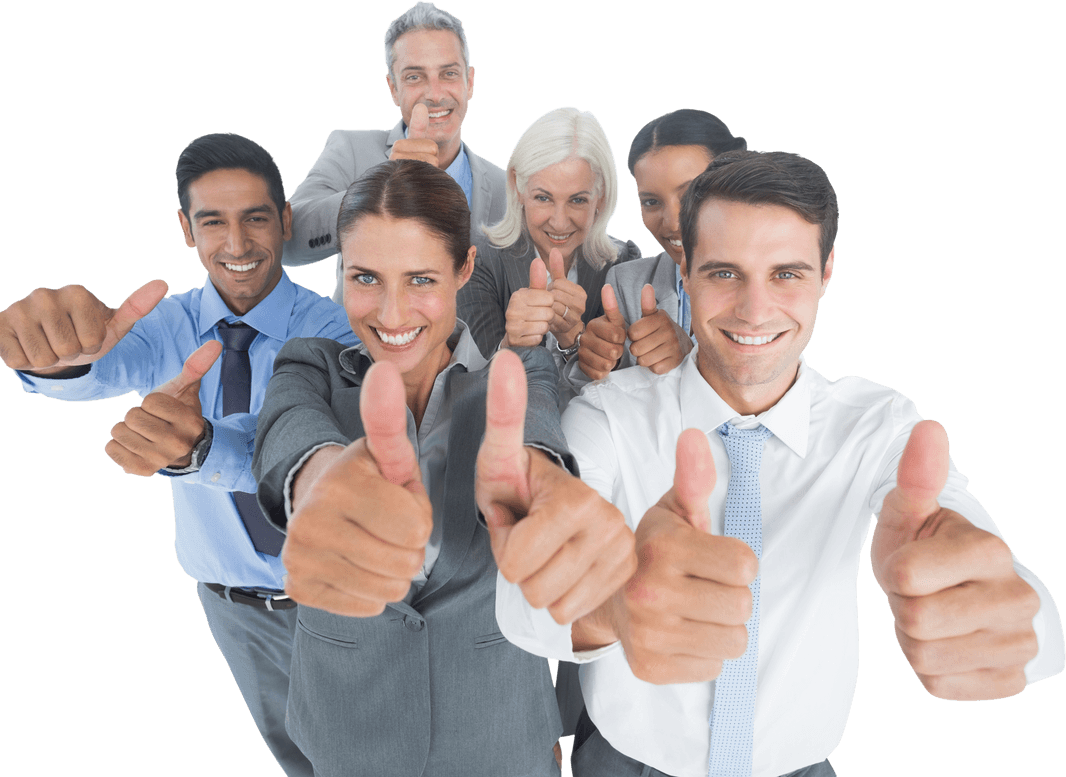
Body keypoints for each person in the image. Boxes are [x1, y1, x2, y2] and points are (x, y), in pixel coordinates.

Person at [495, 150, 1065, 777]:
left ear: (826, 273)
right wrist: (612, 609)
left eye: (787, 274)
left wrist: (999, 610)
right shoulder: (607, 418)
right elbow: (521, 608)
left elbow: (1015, 595)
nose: (754, 309)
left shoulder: (875, 425)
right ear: (684, 274)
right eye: (724, 273)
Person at [0, 133, 358, 777]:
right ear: (186, 230)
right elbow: (100, 369)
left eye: (256, 218)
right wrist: (63, 362)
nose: (237, 245)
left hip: (338, 601)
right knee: (297, 756)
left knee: (369, 753)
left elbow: (316, 437)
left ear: (287, 221)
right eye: (213, 222)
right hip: (230, 605)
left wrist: (202, 447)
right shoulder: (162, 326)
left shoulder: (338, 328)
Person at [252, 159, 635, 776]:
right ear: (341, 275)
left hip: (497, 733)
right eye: (366, 278)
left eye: (421, 278)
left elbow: (534, 426)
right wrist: (323, 484)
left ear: (464, 270)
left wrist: (539, 484)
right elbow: (286, 435)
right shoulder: (308, 366)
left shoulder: (514, 377)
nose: (393, 311)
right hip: (349, 735)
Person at [283, 1, 505, 305]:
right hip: (361, 347)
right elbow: (286, 240)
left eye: (449, 74)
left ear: (469, 82)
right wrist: (378, 186)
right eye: (415, 76)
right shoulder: (350, 150)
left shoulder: (505, 187)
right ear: (393, 88)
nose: (435, 94)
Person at [456, 106, 640, 398]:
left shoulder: (623, 263)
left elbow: (632, 393)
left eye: (577, 200)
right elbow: (462, 390)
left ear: (601, 197)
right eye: (543, 197)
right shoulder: (478, 260)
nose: (558, 221)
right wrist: (510, 344)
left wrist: (573, 340)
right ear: (517, 186)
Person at [572, 109, 747, 383]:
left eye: (690, 194)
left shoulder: (777, 277)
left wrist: (692, 359)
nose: (673, 222)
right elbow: (601, 404)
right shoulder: (627, 283)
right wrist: (597, 364)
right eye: (651, 202)